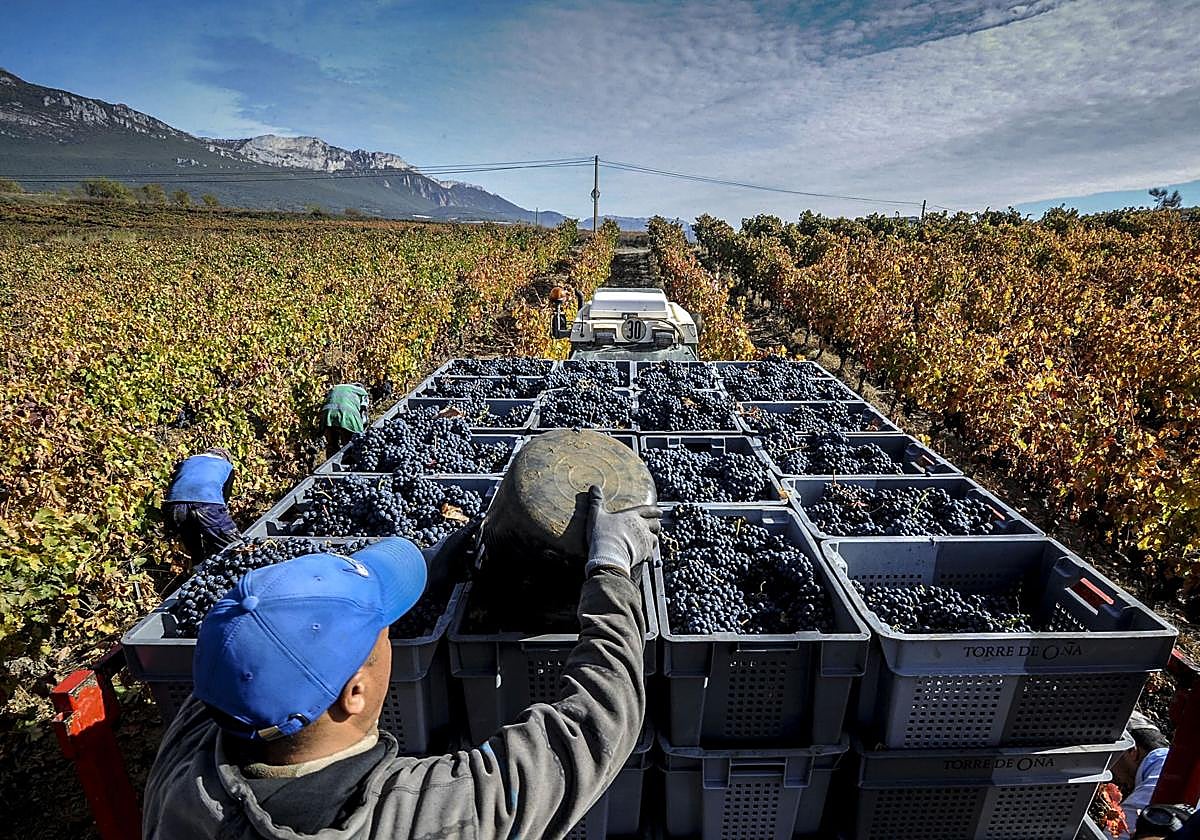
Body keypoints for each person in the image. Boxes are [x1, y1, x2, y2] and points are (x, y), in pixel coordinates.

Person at [143, 485, 660, 839]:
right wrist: (610, 571)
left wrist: (418, 580)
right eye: (383, 628)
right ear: (355, 693)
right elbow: (596, 723)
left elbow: (256, 648)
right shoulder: (426, 817)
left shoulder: (182, 776)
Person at [163, 447, 242, 567]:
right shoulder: (226, 466)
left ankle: (198, 570)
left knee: (194, 549)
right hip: (207, 504)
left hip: (175, 505)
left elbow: (175, 482)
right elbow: (225, 497)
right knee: (234, 545)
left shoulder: (188, 461)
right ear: (225, 458)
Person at [1115, 711, 1173, 839]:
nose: (1113, 773)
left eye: (1111, 758)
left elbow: (1114, 835)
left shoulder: (1163, 774)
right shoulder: (1170, 765)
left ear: (1131, 750)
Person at [320, 383, 370, 457]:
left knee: (332, 444)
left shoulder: (336, 388)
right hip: (347, 416)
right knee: (349, 444)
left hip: (328, 416)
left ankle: (331, 463)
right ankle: (348, 461)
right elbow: (364, 417)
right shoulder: (362, 392)